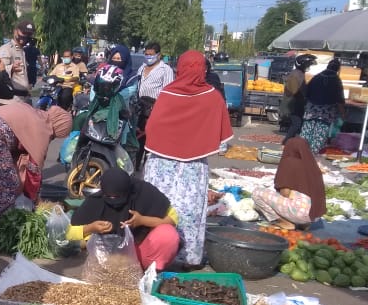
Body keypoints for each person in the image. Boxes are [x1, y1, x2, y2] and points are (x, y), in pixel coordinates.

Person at [142, 50, 233, 269]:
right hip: (193, 168)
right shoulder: (212, 96)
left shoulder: (167, 94)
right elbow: (222, 142)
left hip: (160, 164)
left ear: (179, 69)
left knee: (158, 206)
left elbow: (151, 128)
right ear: (203, 69)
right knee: (190, 211)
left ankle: (153, 254)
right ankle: (189, 257)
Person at [0, 103, 73, 230]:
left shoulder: (34, 113)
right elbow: (34, 171)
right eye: (57, 135)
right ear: (58, 126)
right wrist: (32, 199)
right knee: (8, 183)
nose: (53, 137)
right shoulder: (42, 130)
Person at [68, 168, 181, 272]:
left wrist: (142, 220)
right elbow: (69, 233)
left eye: (118, 197)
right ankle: (121, 273)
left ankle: (154, 272)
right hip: (111, 256)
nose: (113, 201)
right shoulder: (97, 200)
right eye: (109, 197)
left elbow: (172, 219)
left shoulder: (143, 192)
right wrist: (91, 227)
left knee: (167, 235)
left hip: (142, 251)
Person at [251, 137, 326, 229]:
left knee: (257, 193)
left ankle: (284, 222)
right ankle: (304, 224)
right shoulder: (312, 164)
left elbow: (285, 193)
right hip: (315, 215)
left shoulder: (289, 162)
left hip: (300, 212)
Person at [301, 57, 346, 153]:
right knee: (319, 134)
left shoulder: (317, 77)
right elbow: (340, 99)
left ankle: (301, 150)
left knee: (307, 131)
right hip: (326, 112)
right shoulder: (336, 80)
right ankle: (312, 154)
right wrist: (343, 114)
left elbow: (306, 92)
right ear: (338, 69)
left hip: (311, 110)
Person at [280, 53, 316, 138]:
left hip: (297, 104)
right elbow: (292, 91)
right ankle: (287, 143)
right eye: (307, 64)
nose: (308, 67)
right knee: (296, 124)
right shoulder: (296, 74)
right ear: (301, 65)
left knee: (298, 125)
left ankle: (290, 144)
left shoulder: (300, 73)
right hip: (293, 105)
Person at [0, 21, 30, 98]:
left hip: (22, 98)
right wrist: (11, 68)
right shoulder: (6, 49)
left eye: (28, 34)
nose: (25, 36)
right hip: (10, 100)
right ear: (15, 32)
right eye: (23, 33)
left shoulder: (21, 50)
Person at [21, 23, 41, 88]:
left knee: (26, 79)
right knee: (32, 81)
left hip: (25, 66)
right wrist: (42, 67)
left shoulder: (24, 49)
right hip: (33, 66)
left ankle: (27, 91)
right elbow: (39, 59)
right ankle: (29, 90)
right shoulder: (36, 50)